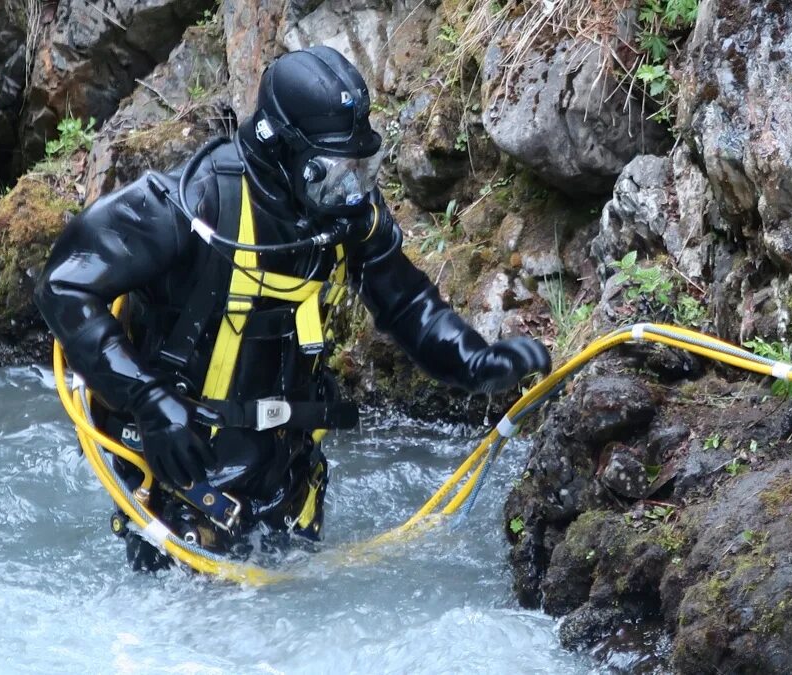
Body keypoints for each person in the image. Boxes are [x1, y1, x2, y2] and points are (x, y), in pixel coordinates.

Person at [35, 46, 550, 570]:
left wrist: (472, 362)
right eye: (333, 169)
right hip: (181, 480)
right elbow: (63, 287)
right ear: (282, 149)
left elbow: (408, 303)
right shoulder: (188, 207)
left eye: (362, 165)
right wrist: (148, 401)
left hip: (287, 482)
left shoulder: (347, 214)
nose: (352, 187)